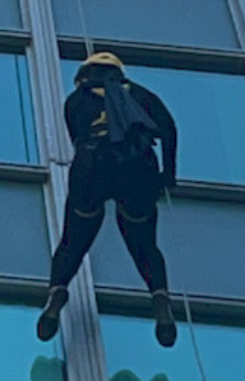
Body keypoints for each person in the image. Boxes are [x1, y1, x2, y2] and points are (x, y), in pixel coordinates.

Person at [36, 52, 179, 347]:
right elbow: (169, 129)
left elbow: (77, 136)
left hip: (92, 164)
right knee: (143, 241)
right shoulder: (141, 94)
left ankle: (58, 289)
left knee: (73, 241)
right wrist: (168, 174)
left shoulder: (76, 99)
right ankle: (159, 296)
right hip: (137, 167)